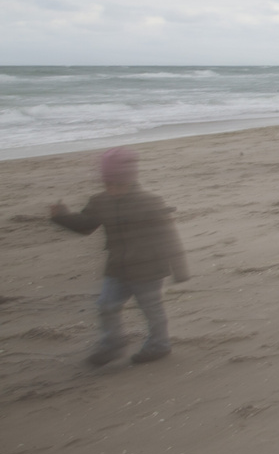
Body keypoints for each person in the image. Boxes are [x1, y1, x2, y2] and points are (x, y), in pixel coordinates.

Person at [50, 147, 190, 366]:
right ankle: (112, 345)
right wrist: (62, 217)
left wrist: (180, 269)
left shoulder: (149, 202)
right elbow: (86, 225)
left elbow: (169, 236)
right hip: (117, 267)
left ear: (131, 180)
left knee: (151, 309)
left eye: (119, 184)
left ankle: (159, 345)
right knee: (106, 305)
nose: (113, 189)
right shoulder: (100, 201)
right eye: (108, 184)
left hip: (149, 268)